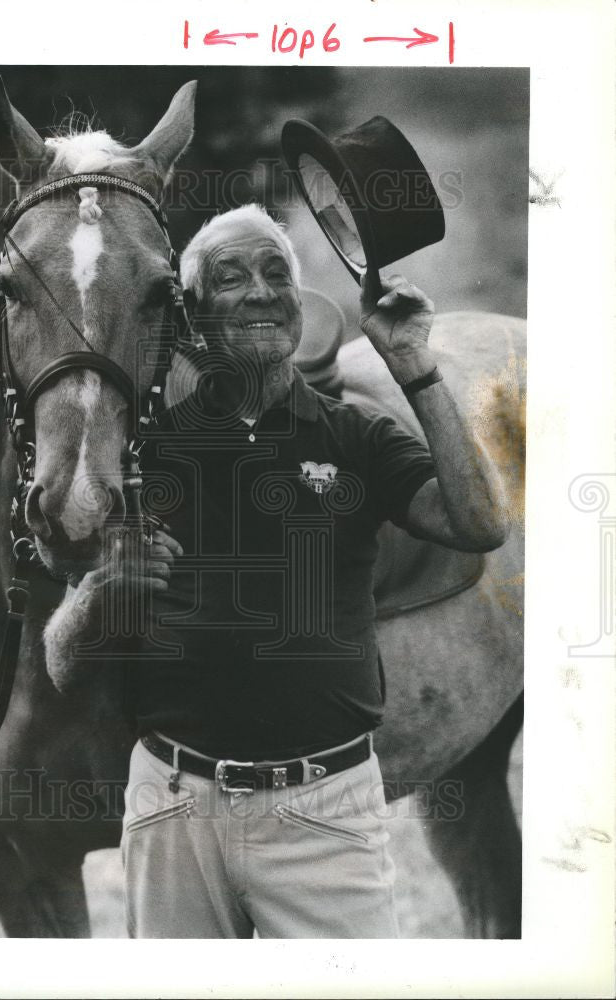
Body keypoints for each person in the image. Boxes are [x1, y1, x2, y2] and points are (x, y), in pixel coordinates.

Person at [50, 204, 509, 938]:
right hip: (174, 807)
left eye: (277, 274)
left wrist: (417, 371)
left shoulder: (355, 435)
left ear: (300, 304)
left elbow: (481, 524)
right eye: (231, 277)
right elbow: (63, 664)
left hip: (328, 807)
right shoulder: (144, 457)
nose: (262, 290)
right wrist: (103, 589)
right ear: (192, 316)